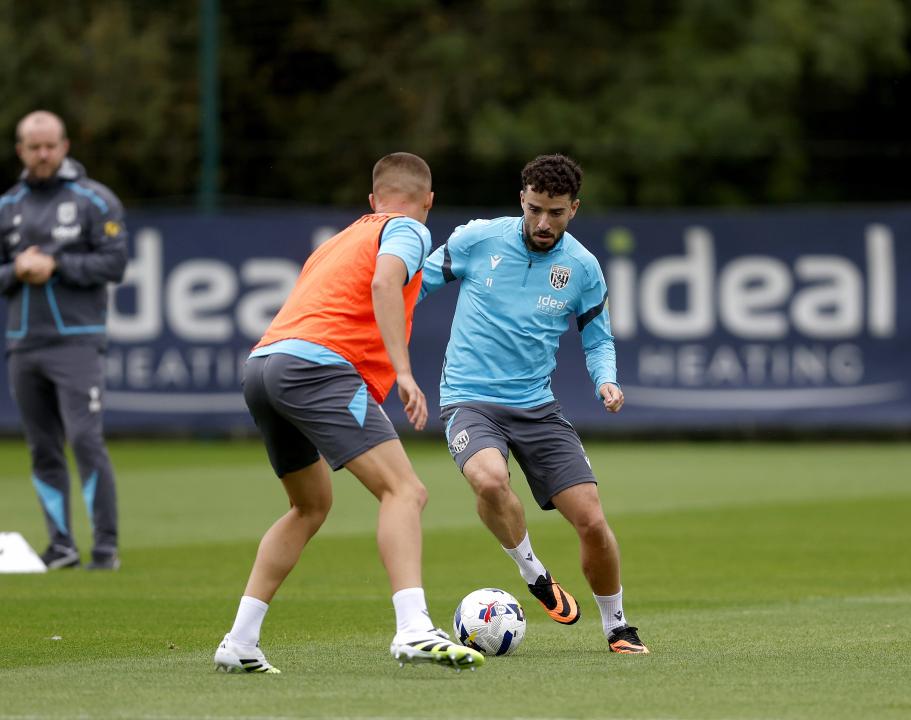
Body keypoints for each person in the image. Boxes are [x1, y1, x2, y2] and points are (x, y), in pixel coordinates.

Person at [213, 152, 484, 674]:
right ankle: (413, 629)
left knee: (309, 506)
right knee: (405, 490)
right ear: (429, 200)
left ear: (370, 199)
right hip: (317, 370)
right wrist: (404, 373)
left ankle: (240, 640)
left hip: (263, 367)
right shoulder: (407, 229)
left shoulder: (338, 240)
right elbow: (385, 284)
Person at [419, 153, 649, 654]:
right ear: (521, 200)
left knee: (591, 521)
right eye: (535, 209)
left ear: (574, 209)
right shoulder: (477, 239)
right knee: (488, 478)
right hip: (469, 398)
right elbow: (413, 285)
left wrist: (605, 381)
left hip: (537, 407)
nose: (544, 223)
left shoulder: (583, 267)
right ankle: (534, 572)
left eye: (557, 213)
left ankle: (617, 626)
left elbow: (598, 338)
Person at [0, 110, 128, 571]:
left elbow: (115, 264)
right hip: (23, 344)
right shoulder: (7, 205)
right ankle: (61, 546)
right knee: (41, 447)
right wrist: (15, 270)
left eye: (50, 145)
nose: (43, 154)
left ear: (65, 146)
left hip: (76, 342)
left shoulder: (95, 200)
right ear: (21, 151)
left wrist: (57, 265)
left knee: (85, 439)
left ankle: (105, 548)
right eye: (34, 147)